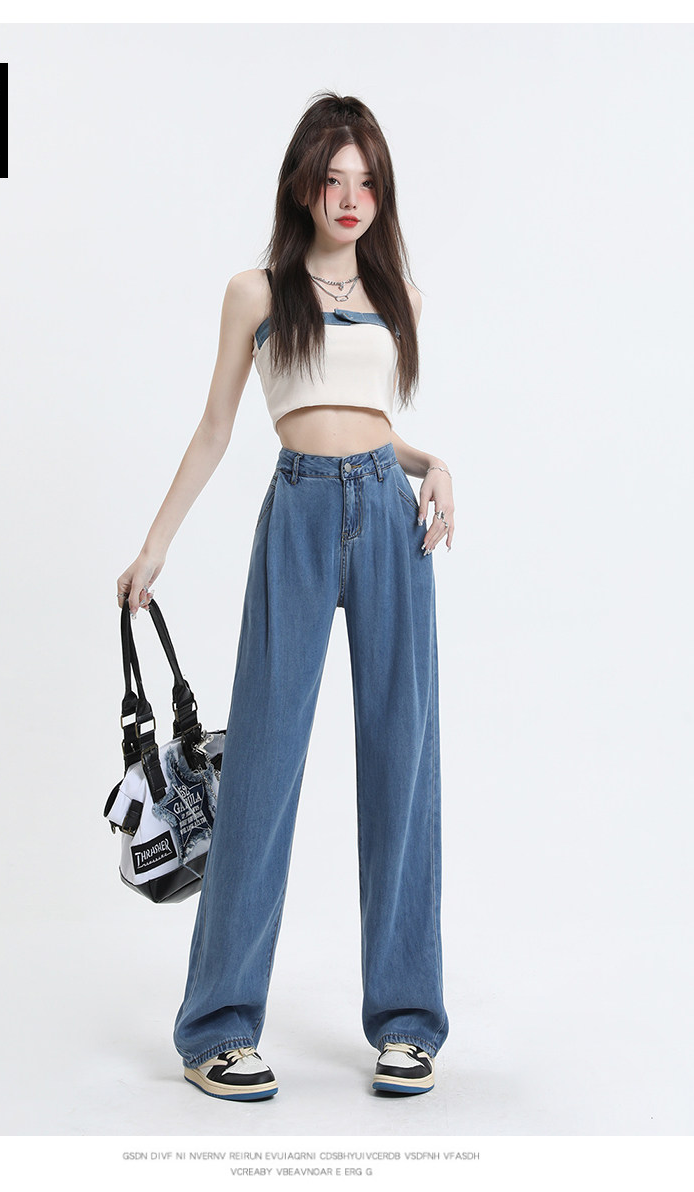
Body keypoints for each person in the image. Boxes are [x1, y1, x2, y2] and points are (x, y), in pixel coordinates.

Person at [116, 91, 455, 1101]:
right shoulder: (257, 292)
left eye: (367, 181)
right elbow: (220, 425)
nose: (350, 197)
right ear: (303, 185)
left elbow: (368, 419)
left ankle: (407, 1023)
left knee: (401, 762)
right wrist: (155, 545)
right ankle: (216, 1028)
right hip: (299, 512)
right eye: (333, 178)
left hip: (389, 518)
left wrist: (431, 462)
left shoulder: (401, 296)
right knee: (261, 770)